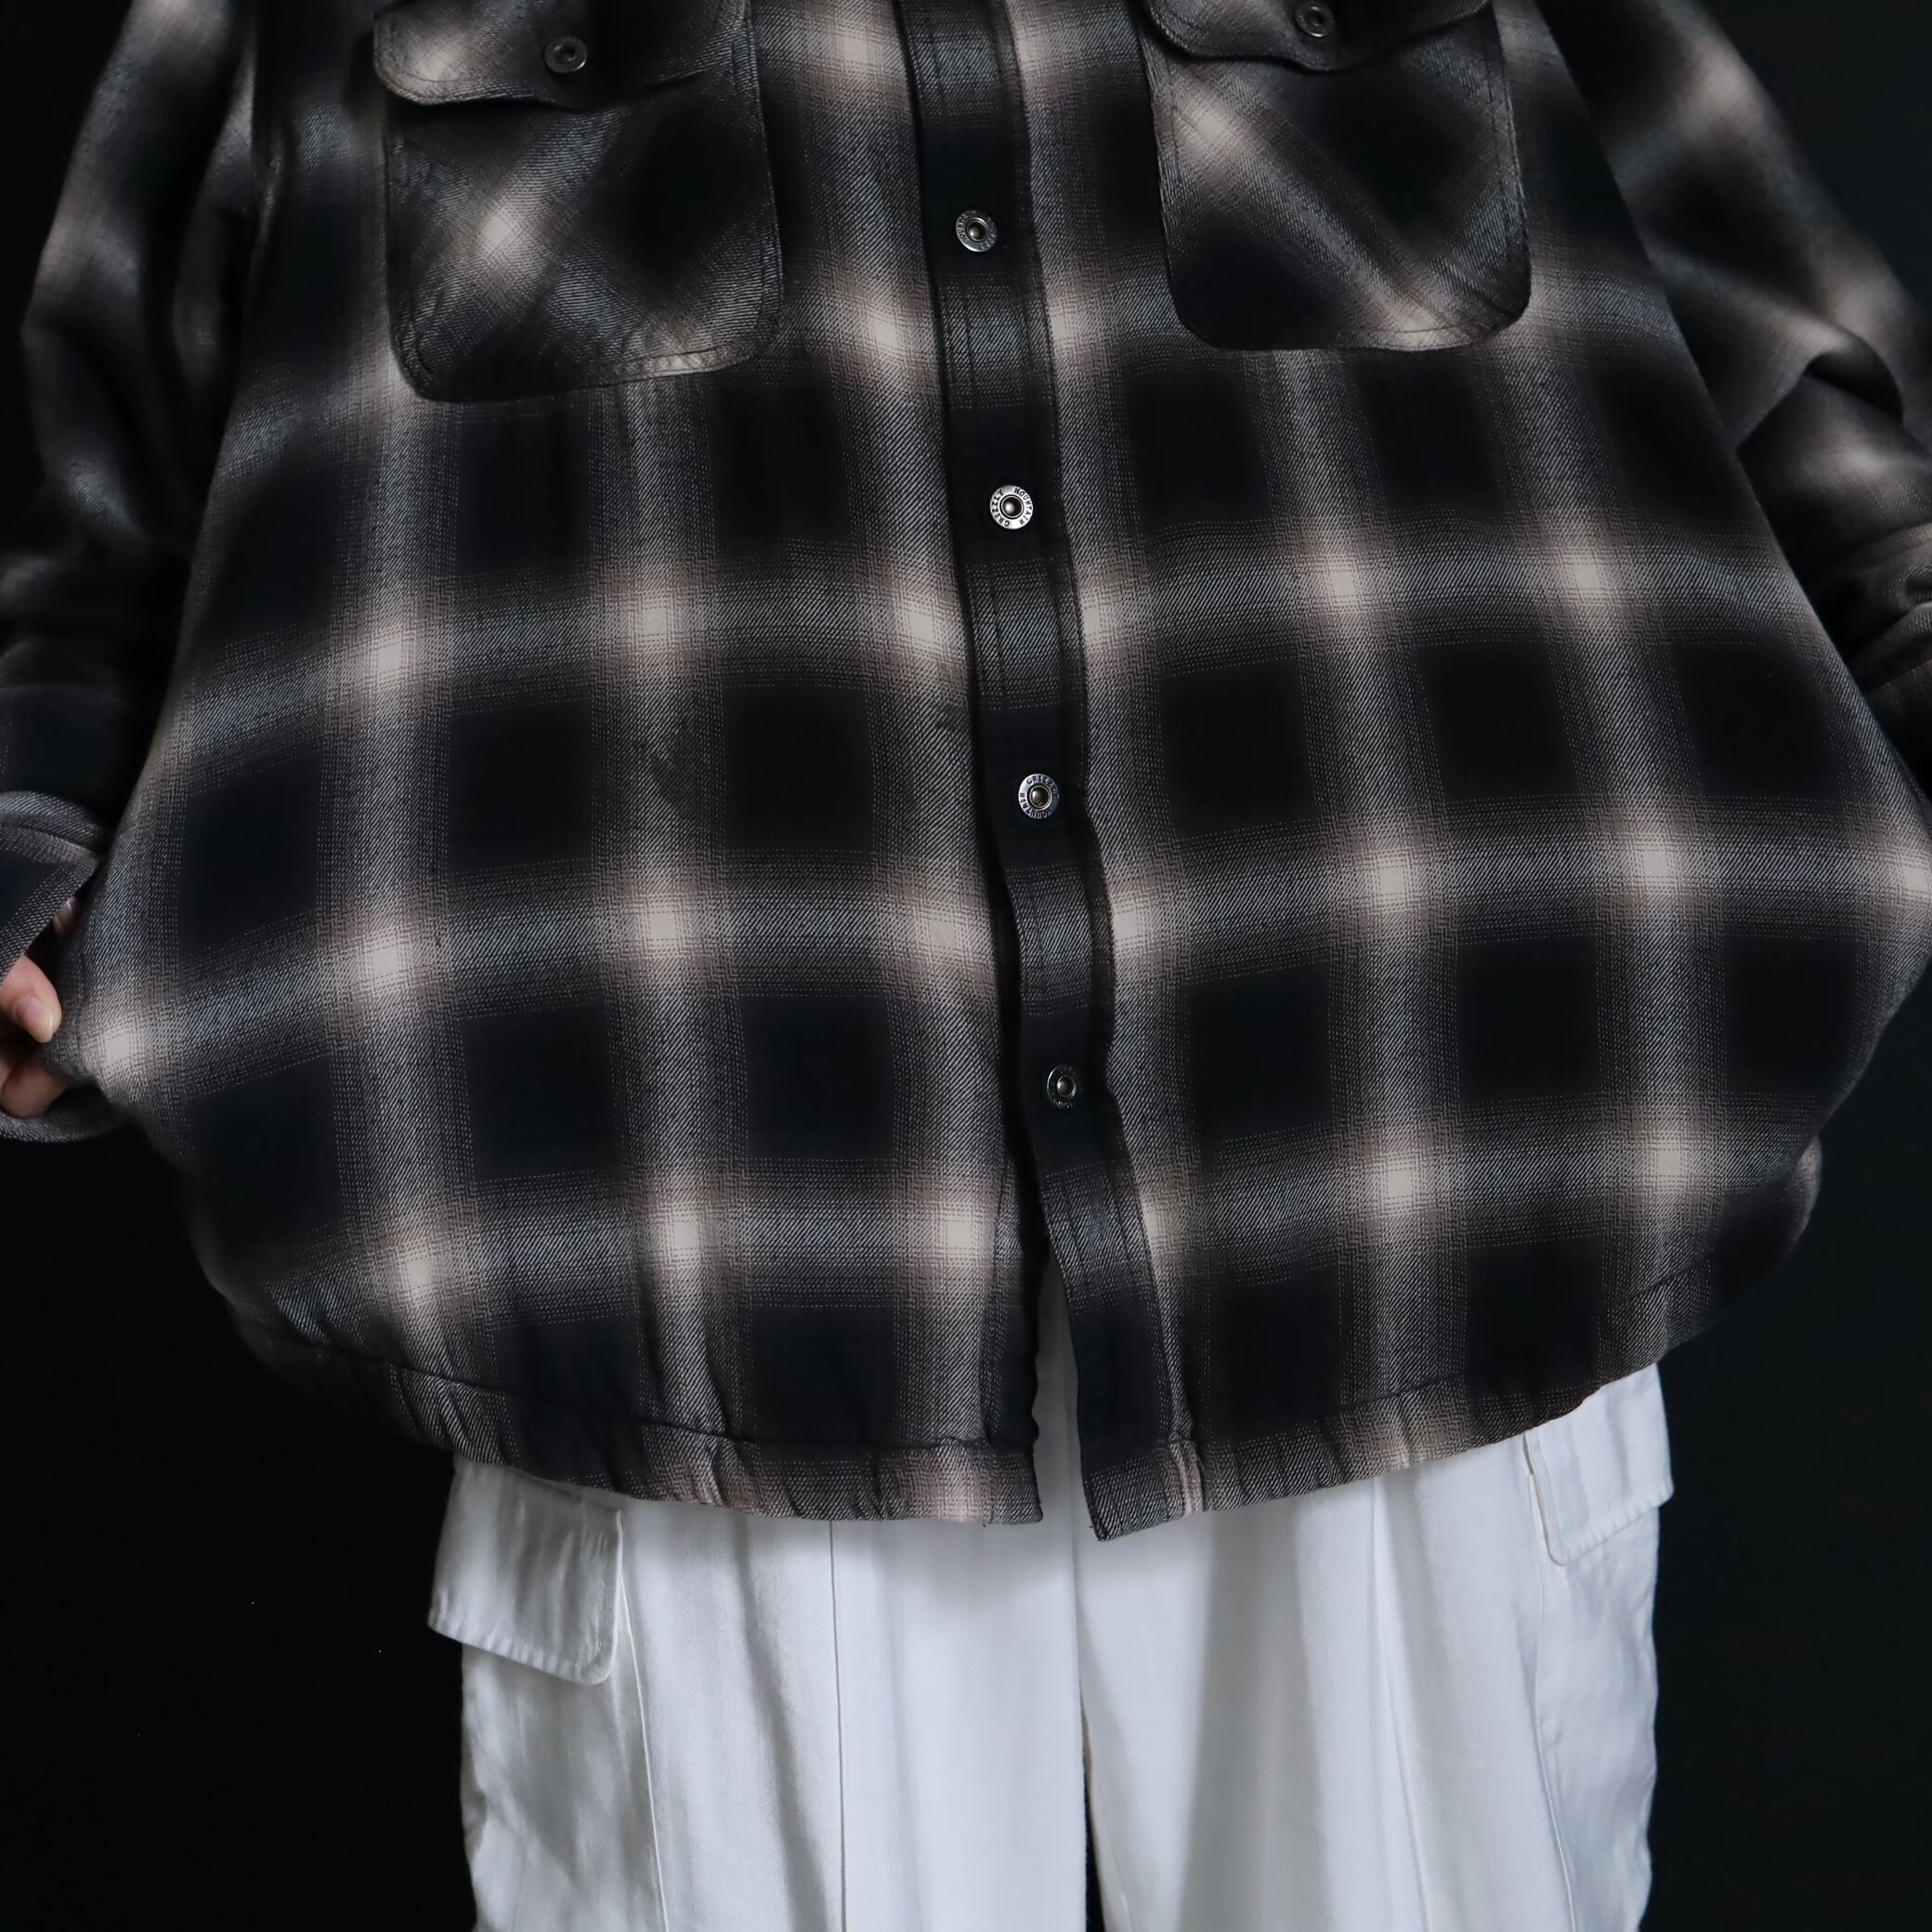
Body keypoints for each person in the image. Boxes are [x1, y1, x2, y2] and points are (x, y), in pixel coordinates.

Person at [3, 2, 1925, 1927]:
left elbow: (1817, 405)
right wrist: (36, 850)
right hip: (681, 1230)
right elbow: (101, 502)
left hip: (1426, 1172)